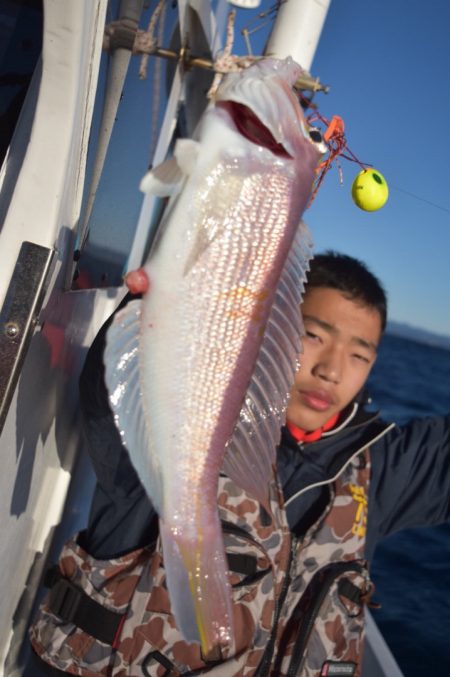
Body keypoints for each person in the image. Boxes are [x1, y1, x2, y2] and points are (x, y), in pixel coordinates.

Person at [29, 251, 450, 676]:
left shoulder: (381, 469)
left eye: (359, 355)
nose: (331, 371)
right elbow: (128, 368)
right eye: (312, 335)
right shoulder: (183, 423)